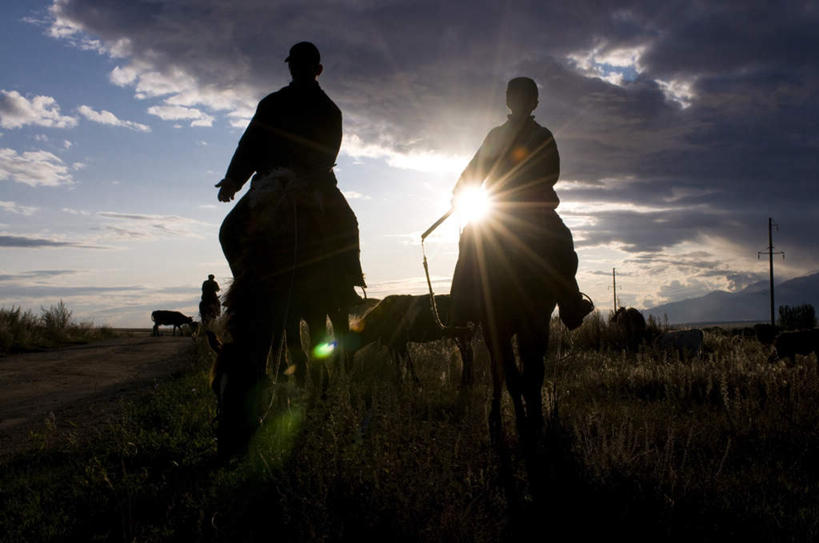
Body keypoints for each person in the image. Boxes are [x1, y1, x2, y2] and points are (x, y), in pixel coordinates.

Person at [216, 41, 365, 295]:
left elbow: (328, 153)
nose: (297, 70)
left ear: (317, 69)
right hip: (270, 183)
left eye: (303, 65)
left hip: (314, 182)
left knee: (347, 223)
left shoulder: (329, 111)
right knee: (229, 231)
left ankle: (346, 286)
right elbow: (250, 143)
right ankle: (246, 287)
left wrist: (302, 177)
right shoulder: (271, 104)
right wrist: (233, 180)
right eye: (294, 65)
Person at [449, 76, 593, 330]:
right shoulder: (499, 135)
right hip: (504, 211)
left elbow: (551, 172)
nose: (520, 102)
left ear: (533, 103)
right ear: (509, 100)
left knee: (561, 240)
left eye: (525, 97)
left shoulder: (541, 135)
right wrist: (460, 189)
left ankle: (570, 304)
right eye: (516, 96)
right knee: (470, 238)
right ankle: (461, 309)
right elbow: (476, 168)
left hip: (521, 210)